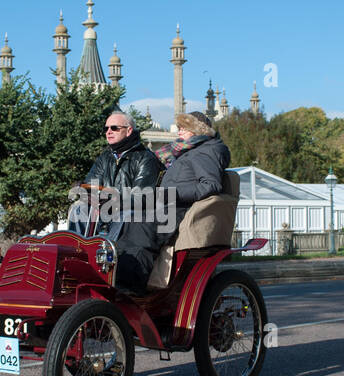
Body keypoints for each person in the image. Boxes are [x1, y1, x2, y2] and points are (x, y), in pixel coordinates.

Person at [78, 110, 162, 294]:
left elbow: (142, 197)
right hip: (104, 212)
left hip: (131, 215)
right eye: (106, 128)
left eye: (114, 128)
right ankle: (77, 257)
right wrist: (89, 195)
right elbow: (90, 186)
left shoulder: (145, 159)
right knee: (77, 209)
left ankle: (110, 269)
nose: (108, 131)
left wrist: (110, 200)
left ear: (129, 130)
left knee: (126, 215)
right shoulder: (104, 158)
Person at [154, 111, 231, 245]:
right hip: (165, 206)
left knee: (136, 230)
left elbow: (210, 185)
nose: (179, 133)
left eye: (183, 128)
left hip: (177, 211)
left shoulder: (205, 152)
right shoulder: (183, 153)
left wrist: (174, 193)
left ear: (197, 130)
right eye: (179, 128)